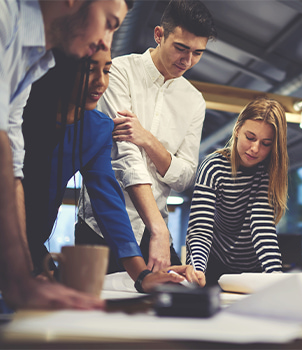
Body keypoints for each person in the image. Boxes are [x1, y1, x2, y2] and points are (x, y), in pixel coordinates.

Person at [22, 49, 202, 293]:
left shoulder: (96, 128)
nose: (101, 82)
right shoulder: (17, 116)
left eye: (106, 70)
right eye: (89, 69)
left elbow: (108, 202)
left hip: (30, 241)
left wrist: (142, 276)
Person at [0, 0, 131, 310]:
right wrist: (20, 280)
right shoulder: (4, 20)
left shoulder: (35, 59)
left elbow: (11, 164)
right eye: (109, 23)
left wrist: (24, 278)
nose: (105, 42)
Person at [76, 0, 217, 273]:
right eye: (181, 48)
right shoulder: (117, 71)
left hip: (152, 233)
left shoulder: (195, 101)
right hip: (101, 228)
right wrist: (159, 229)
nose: (187, 61)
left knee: (174, 305)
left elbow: (186, 177)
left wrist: (148, 140)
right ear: (159, 35)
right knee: (93, 311)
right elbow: (123, 155)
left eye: (198, 53)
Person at [186, 98, 288, 286]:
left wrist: (276, 277)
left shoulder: (267, 172)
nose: (255, 149)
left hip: (252, 269)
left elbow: (263, 228)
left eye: (265, 143)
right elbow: (201, 229)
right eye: (250, 137)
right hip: (212, 264)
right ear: (237, 130)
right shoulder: (213, 167)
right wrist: (198, 269)